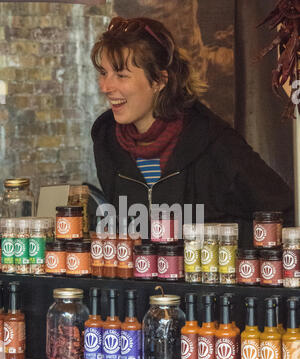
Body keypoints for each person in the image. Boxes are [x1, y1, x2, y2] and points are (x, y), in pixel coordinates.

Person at [90, 16, 294, 247]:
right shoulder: (105, 140)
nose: (105, 87)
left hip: (205, 280)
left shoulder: (215, 141)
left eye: (121, 75)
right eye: (103, 73)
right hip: (142, 282)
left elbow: (284, 217)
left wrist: (214, 243)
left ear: (159, 80)